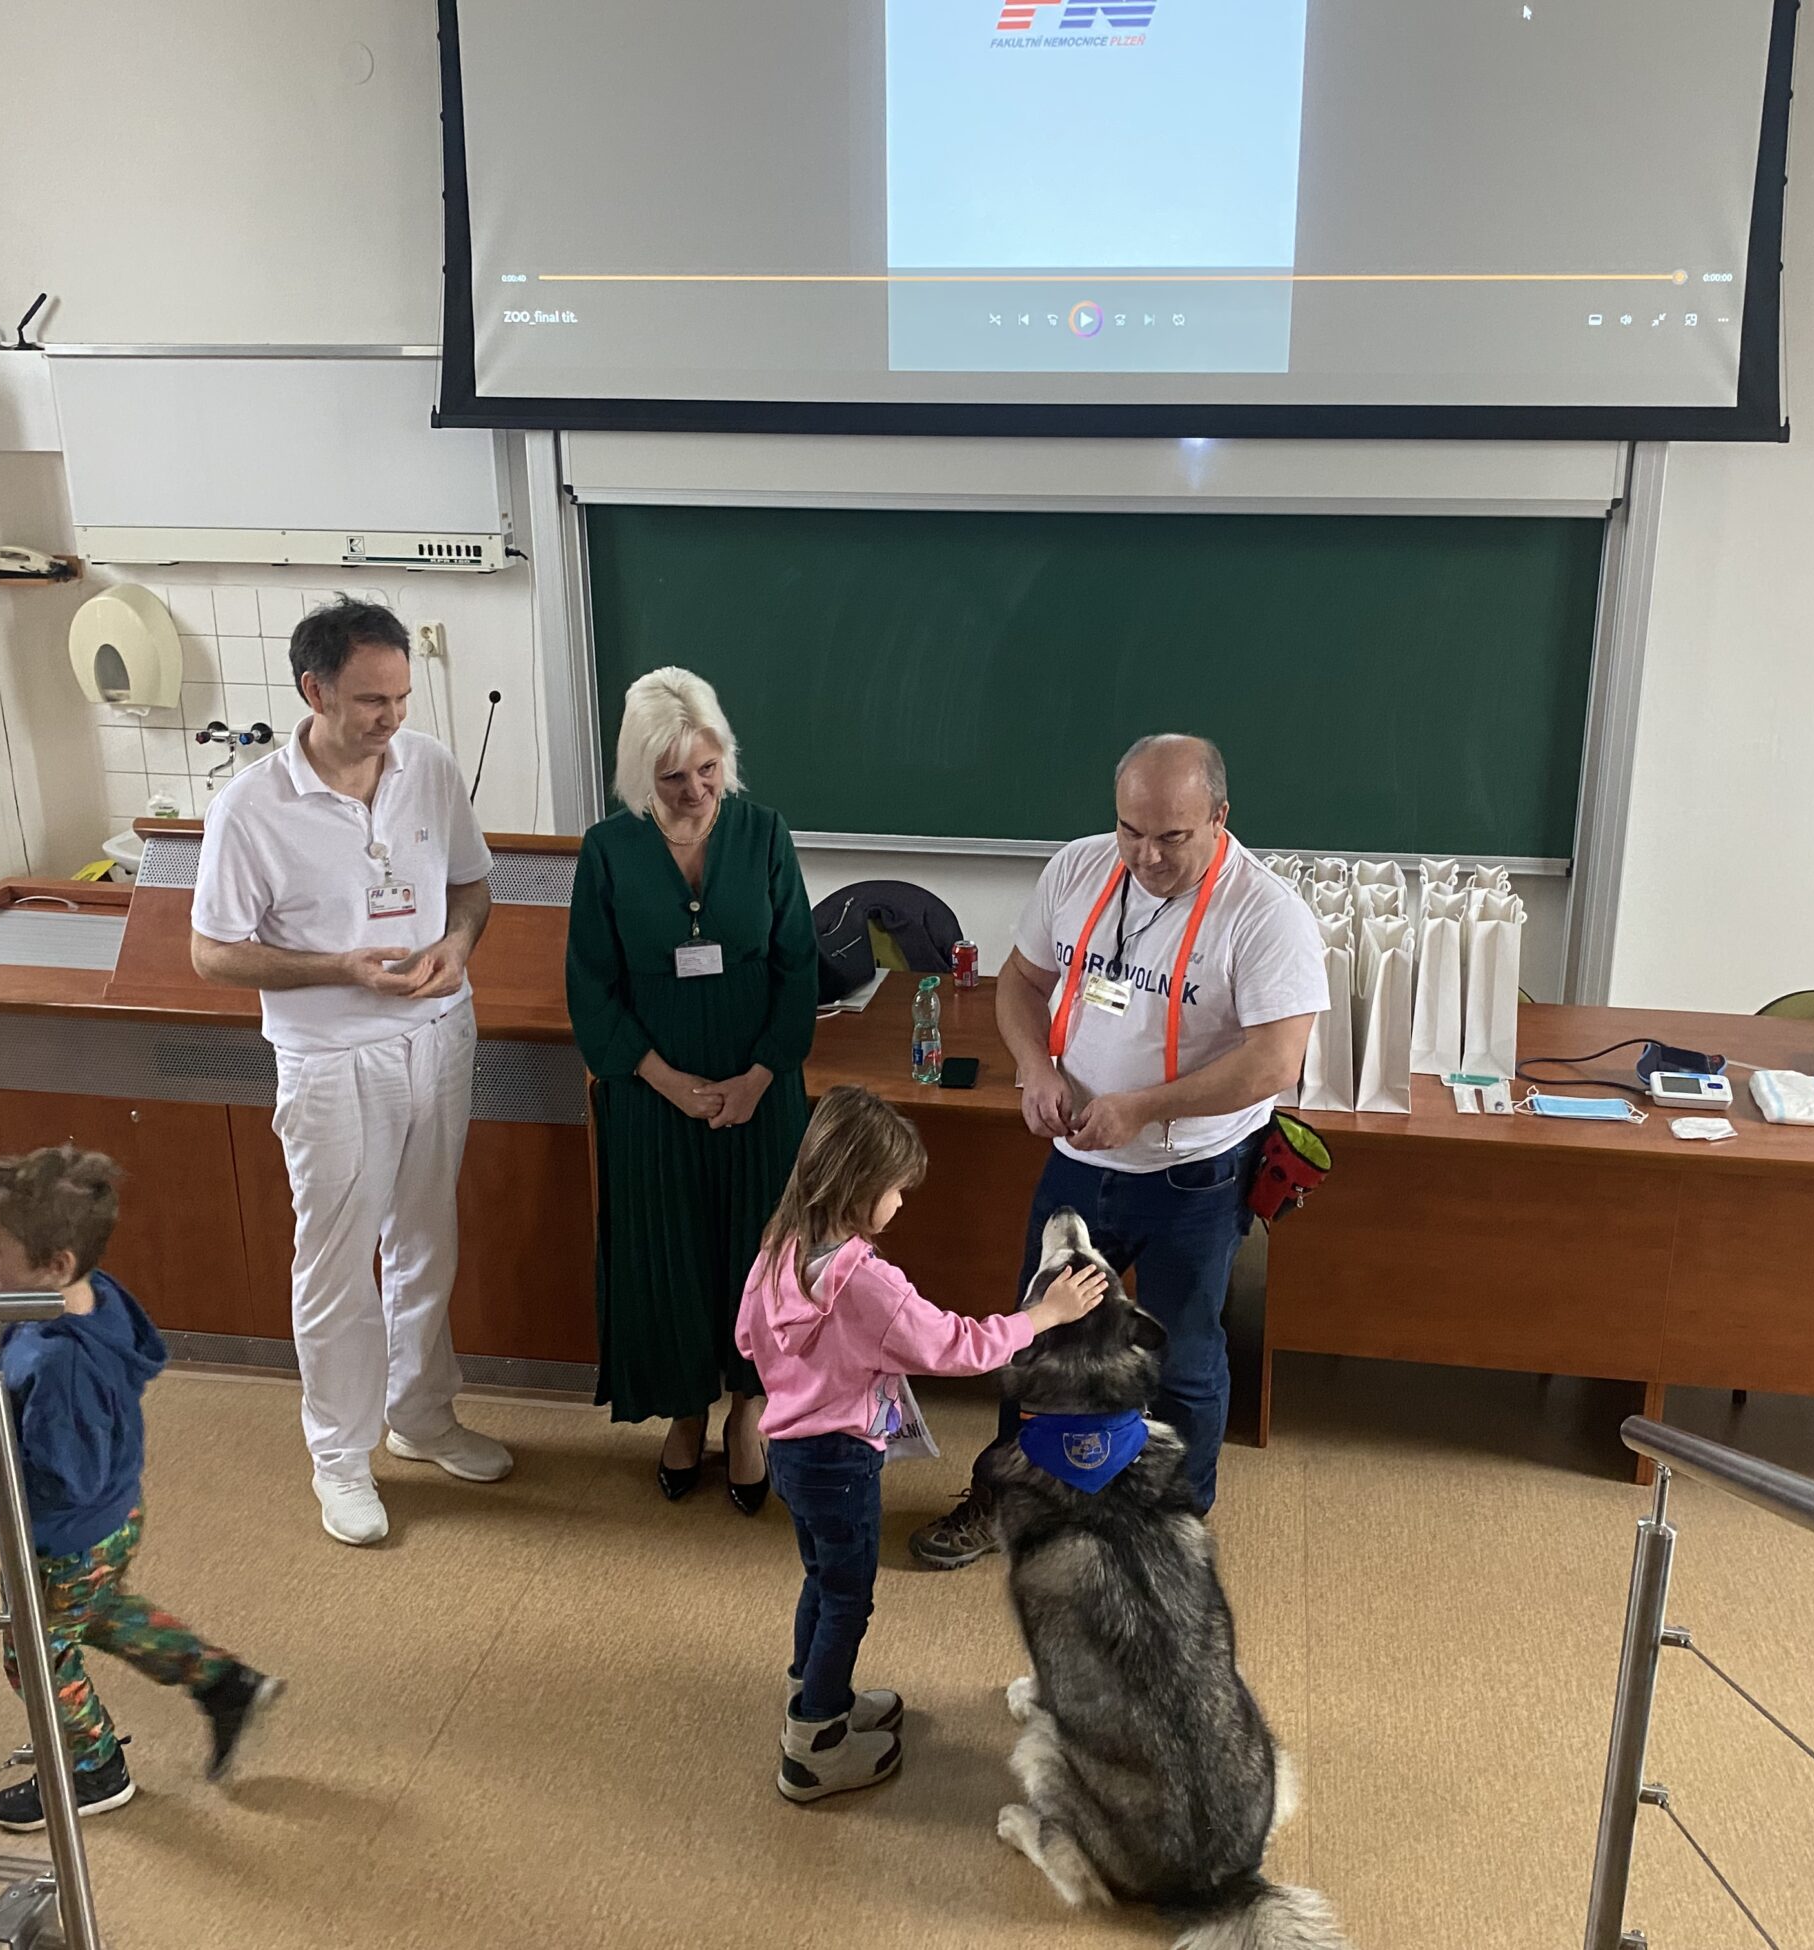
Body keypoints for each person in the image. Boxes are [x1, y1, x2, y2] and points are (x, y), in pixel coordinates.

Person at [910, 734, 1325, 1568]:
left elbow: (1277, 1062)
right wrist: (1035, 1068)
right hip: (1078, 1164)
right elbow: (1021, 982)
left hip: (1194, 1175)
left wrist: (1144, 1108)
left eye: (1172, 837)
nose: (1147, 856)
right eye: (1131, 831)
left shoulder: (1267, 914)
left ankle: (1172, 1523)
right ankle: (1009, 1495)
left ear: (1220, 817)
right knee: (1038, 1338)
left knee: (1183, 1359)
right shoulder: (1078, 869)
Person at [192, 596, 513, 1547]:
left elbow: (472, 886)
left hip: (438, 1035)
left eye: (402, 696)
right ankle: (340, 1457)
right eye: (372, 699)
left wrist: (458, 944)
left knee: (427, 1236)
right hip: (331, 1057)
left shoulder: (430, 767)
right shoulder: (251, 807)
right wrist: (341, 968)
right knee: (337, 1261)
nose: (391, 717)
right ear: (315, 690)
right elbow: (213, 953)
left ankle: (422, 1416)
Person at [736, 1087, 1107, 1801]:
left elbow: (749, 1338)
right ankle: (814, 1749)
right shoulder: (866, 1285)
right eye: (896, 1190)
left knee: (821, 1581)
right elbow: (956, 1346)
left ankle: (816, 1695)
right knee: (848, 1600)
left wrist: (811, 1375)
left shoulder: (780, 1245)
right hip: (842, 1463)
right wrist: (1042, 1315)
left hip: (788, 1450)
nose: (902, 1203)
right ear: (859, 1188)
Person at [0, 1147, 282, 1833]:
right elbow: (18, 1367)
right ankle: (224, 1683)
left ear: (55, 1263)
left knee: (35, 1656)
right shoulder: (79, 1298)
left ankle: (95, 1771)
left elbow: (60, 1475)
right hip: (108, 1519)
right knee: (99, 1611)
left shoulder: (65, 1364)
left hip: (66, 1536)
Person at [567, 668, 820, 1514]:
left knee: (761, 1258)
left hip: (760, 1092)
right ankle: (684, 1411)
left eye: (708, 769)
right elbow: (591, 986)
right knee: (666, 1257)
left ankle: (749, 1412)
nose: (695, 791)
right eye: (672, 776)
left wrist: (759, 1077)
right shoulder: (608, 850)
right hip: (653, 1096)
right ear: (639, 772)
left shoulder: (764, 833)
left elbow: (797, 967)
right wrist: (666, 1081)